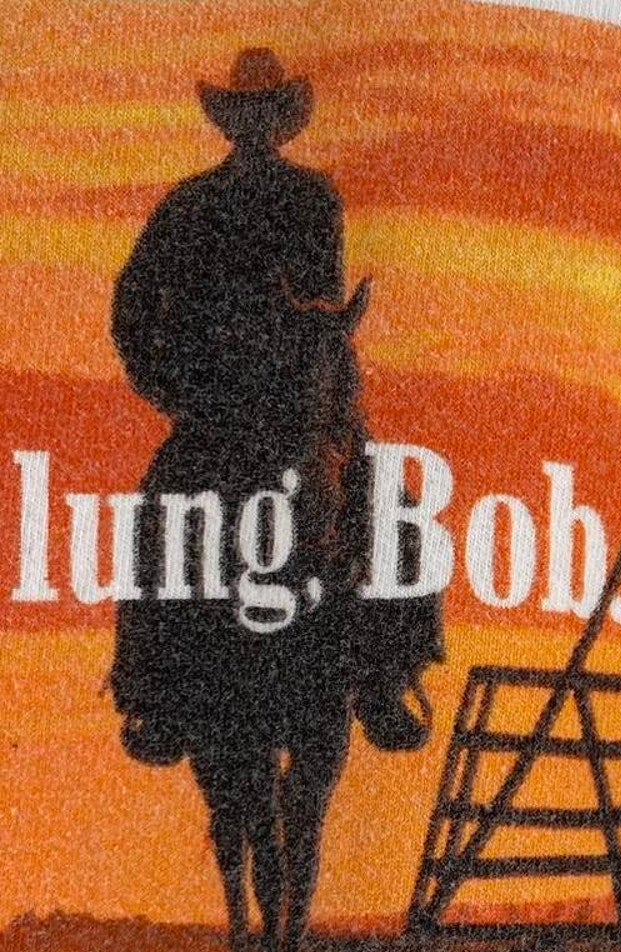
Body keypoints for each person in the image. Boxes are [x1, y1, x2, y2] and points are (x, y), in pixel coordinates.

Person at [109, 46, 439, 764]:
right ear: (232, 122)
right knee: (155, 518)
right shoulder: (187, 206)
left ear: (278, 122)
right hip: (215, 409)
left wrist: (316, 386)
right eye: (247, 114)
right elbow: (132, 309)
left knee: (400, 508)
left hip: (301, 400)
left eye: (266, 114)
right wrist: (176, 389)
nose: (256, 126)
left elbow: (325, 308)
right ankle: (153, 691)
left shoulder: (315, 200)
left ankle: (387, 674)